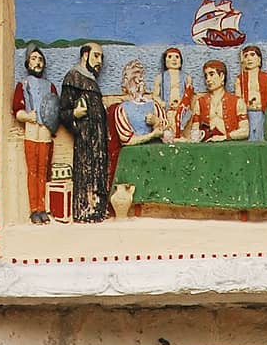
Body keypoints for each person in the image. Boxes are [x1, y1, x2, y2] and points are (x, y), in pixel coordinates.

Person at [59, 41, 109, 223]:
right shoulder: (73, 77)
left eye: (102, 57)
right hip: (85, 138)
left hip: (98, 138)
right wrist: (74, 113)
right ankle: (85, 211)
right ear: (85, 55)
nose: (100, 61)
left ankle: (98, 210)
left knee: (98, 174)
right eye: (96, 55)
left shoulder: (91, 80)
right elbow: (63, 110)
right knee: (86, 174)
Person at [11, 45, 58, 224]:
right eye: (34, 59)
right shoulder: (23, 85)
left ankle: (42, 206)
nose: (37, 62)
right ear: (27, 62)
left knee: (43, 171)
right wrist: (26, 116)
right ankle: (34, 209)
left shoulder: (50, 86)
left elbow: (54, 110)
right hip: (31, 131)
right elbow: (18, 109)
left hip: (45, 131)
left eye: (40, 59)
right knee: (33, 171)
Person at [193, 60, 249, 142]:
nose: (208, 79)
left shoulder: (238, 102)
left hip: (230, 147)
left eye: (211, 74)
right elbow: (195, 130)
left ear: (222, 76)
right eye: (206, 76)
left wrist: (226, 137)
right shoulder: (200, 102)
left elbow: (245, 131)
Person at [114, 59, 164, 147]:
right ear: (126, 82)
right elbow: (126, 140)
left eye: (140, 77)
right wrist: (151, 135)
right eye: (134, 78)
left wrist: (156, 122)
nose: (138, 81)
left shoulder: (154, 105)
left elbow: (167, 132)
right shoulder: (122, 109)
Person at [153, 46, 193, 142]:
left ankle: (179, 136)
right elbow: (155, 95)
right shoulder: (160, 77)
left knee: (181, 124)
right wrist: (161, 103)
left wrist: (184, 105)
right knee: (169, 127)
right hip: (167, 110)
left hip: (182, 109)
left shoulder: (186, 77)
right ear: (165, 61)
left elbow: (189, 93)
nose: (174, 59)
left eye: (177, 57)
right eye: (170, 57)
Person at [237, 46, 267, 142]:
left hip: (262, 113)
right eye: (246, 56)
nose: (249, 58)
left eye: (252, 55)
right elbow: (238, 100)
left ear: (259, 59)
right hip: (247, 115)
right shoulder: (240, 79)